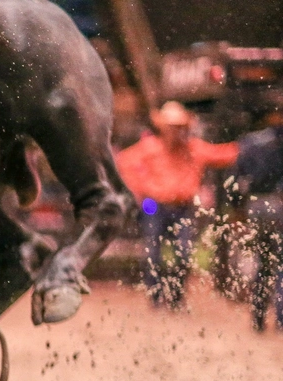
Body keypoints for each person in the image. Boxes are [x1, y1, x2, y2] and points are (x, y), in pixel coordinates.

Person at [116, 101, 238, 309]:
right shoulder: (150, 148)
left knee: (183, 252)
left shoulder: (194, 148)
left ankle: (176, 296)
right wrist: (139, 189)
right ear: (164, 128)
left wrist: (255, 145)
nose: (177, 131)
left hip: (183, 208)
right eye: (173, 126)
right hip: (153, 206)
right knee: (153, 252)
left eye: (180, 126)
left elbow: (224, 154)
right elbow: (122, 162)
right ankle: (155, 296)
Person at [234, 114, 283, 331]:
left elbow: (236, 179)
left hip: (255, 205)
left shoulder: (249, 142)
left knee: (262, 263)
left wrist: (237, 208)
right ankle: (281, 317)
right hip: (278, 203)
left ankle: (258, 317)